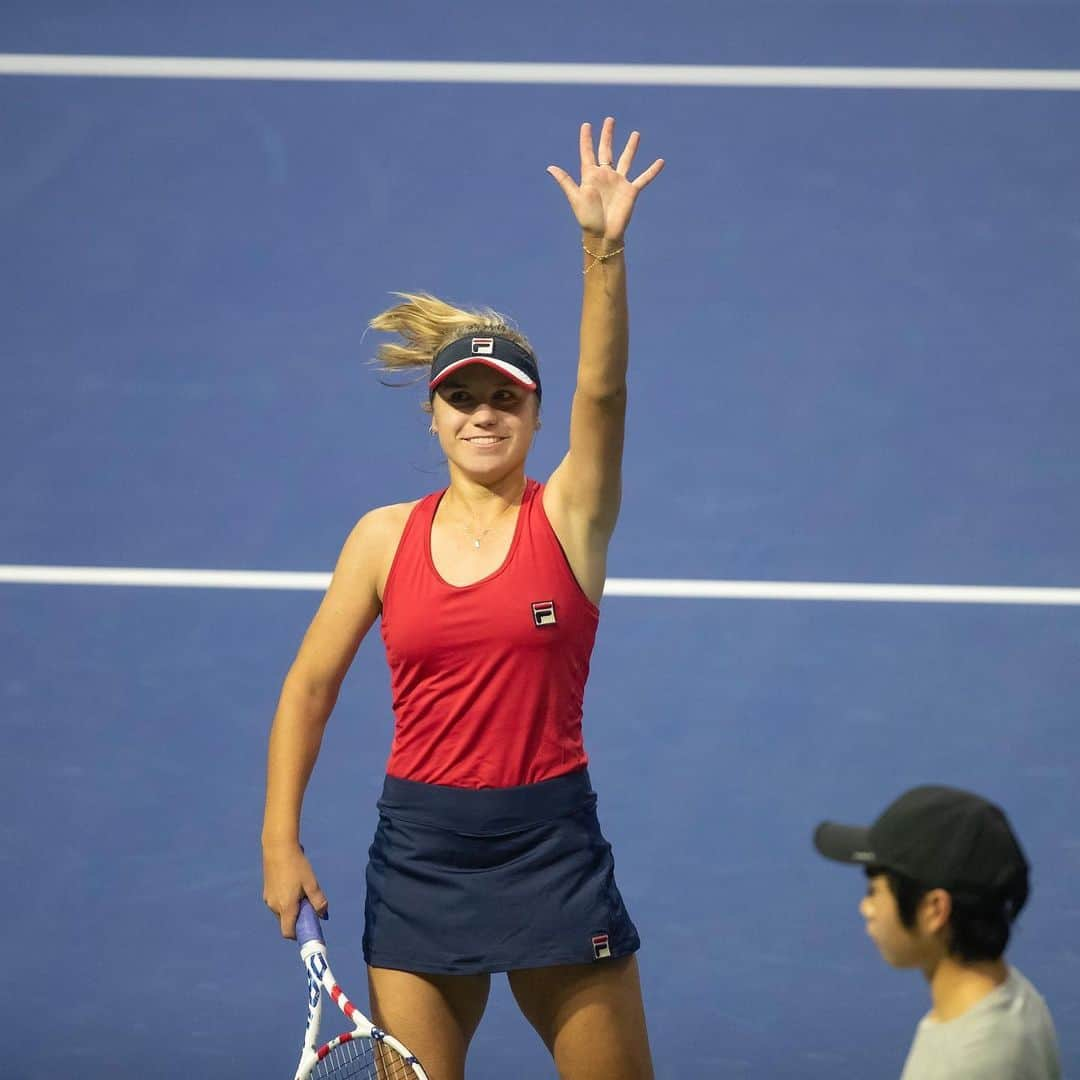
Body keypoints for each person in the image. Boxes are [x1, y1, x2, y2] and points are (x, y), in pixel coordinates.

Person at [261, 116, 663, 1080]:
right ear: (433, 412)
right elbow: (308, 689)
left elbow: (603, 396)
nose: (484, 414)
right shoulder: (382, 538)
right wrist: (281, 839)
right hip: (422, 857)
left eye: (506, 398)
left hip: (551, 848)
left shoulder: (570, 517)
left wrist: (600, 251)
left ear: (532, 411)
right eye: (463, 398)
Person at [813, 785, 1061, 1079]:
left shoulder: (970, 1066)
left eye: (874, 891)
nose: (866, 908)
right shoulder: (1016, 995)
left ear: (935, 909)